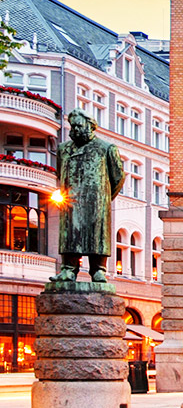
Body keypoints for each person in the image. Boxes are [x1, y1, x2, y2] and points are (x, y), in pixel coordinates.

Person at [53, 110, 125, 285]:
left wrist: (104, 199)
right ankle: (68, 270)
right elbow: (59, 173)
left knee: (97, 236)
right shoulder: (64, 149)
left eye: (79, 125)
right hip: (70, 201)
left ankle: (98, 270)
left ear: (90, 126)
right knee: (70, 235)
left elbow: (118, 177)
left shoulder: (106, 148)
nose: (75, 129)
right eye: (73, 126)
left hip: (96, 202)